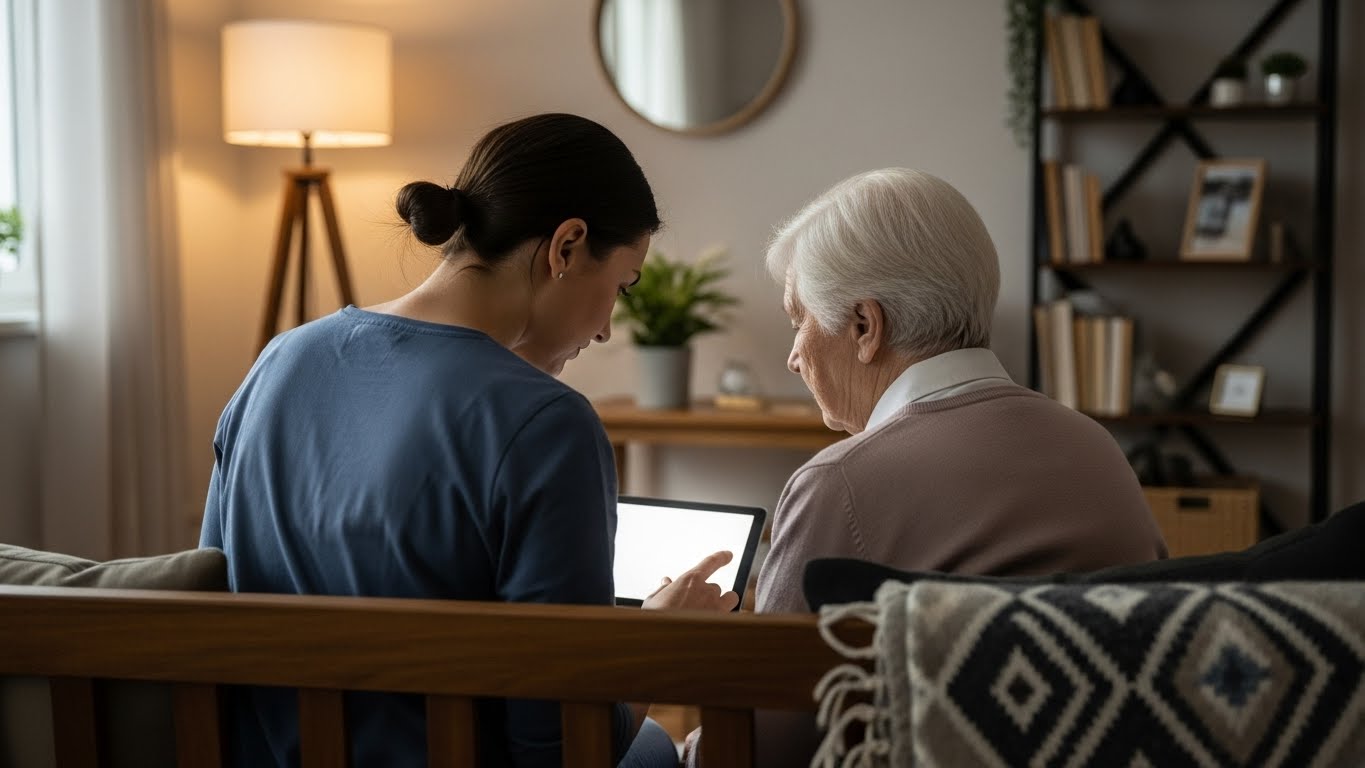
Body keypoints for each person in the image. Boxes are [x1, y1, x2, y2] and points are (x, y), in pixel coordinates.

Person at [200, 113, 737, 768]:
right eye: (621, 287)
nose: (603, 330)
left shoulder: (281, 362)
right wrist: (658, 639)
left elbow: (214, 604)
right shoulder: (547, 423)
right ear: (566, 247)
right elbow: (564, 751)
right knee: (657, 750)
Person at [745, 168, 1166, 765]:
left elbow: (766, 746)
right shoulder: (1097, 448)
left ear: (866, 327)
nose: (793, 357)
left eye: (799, 320)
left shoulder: (838, 481)